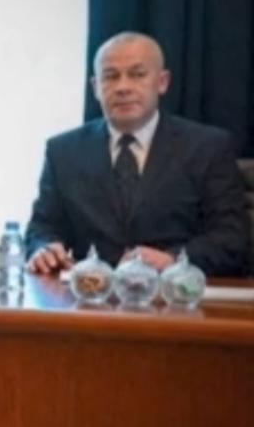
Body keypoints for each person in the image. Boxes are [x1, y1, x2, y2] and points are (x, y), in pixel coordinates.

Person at [26, 31, 248, 276]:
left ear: (162, 82)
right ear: (95, 88)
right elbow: (42, 228)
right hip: (91, 292)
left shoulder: (207, 147)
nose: (123, 87)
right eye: (111, 77)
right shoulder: (63, 151)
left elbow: (231, 237)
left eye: (137, 74)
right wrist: (44, 248)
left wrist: (173, 259)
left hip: (176, 291)